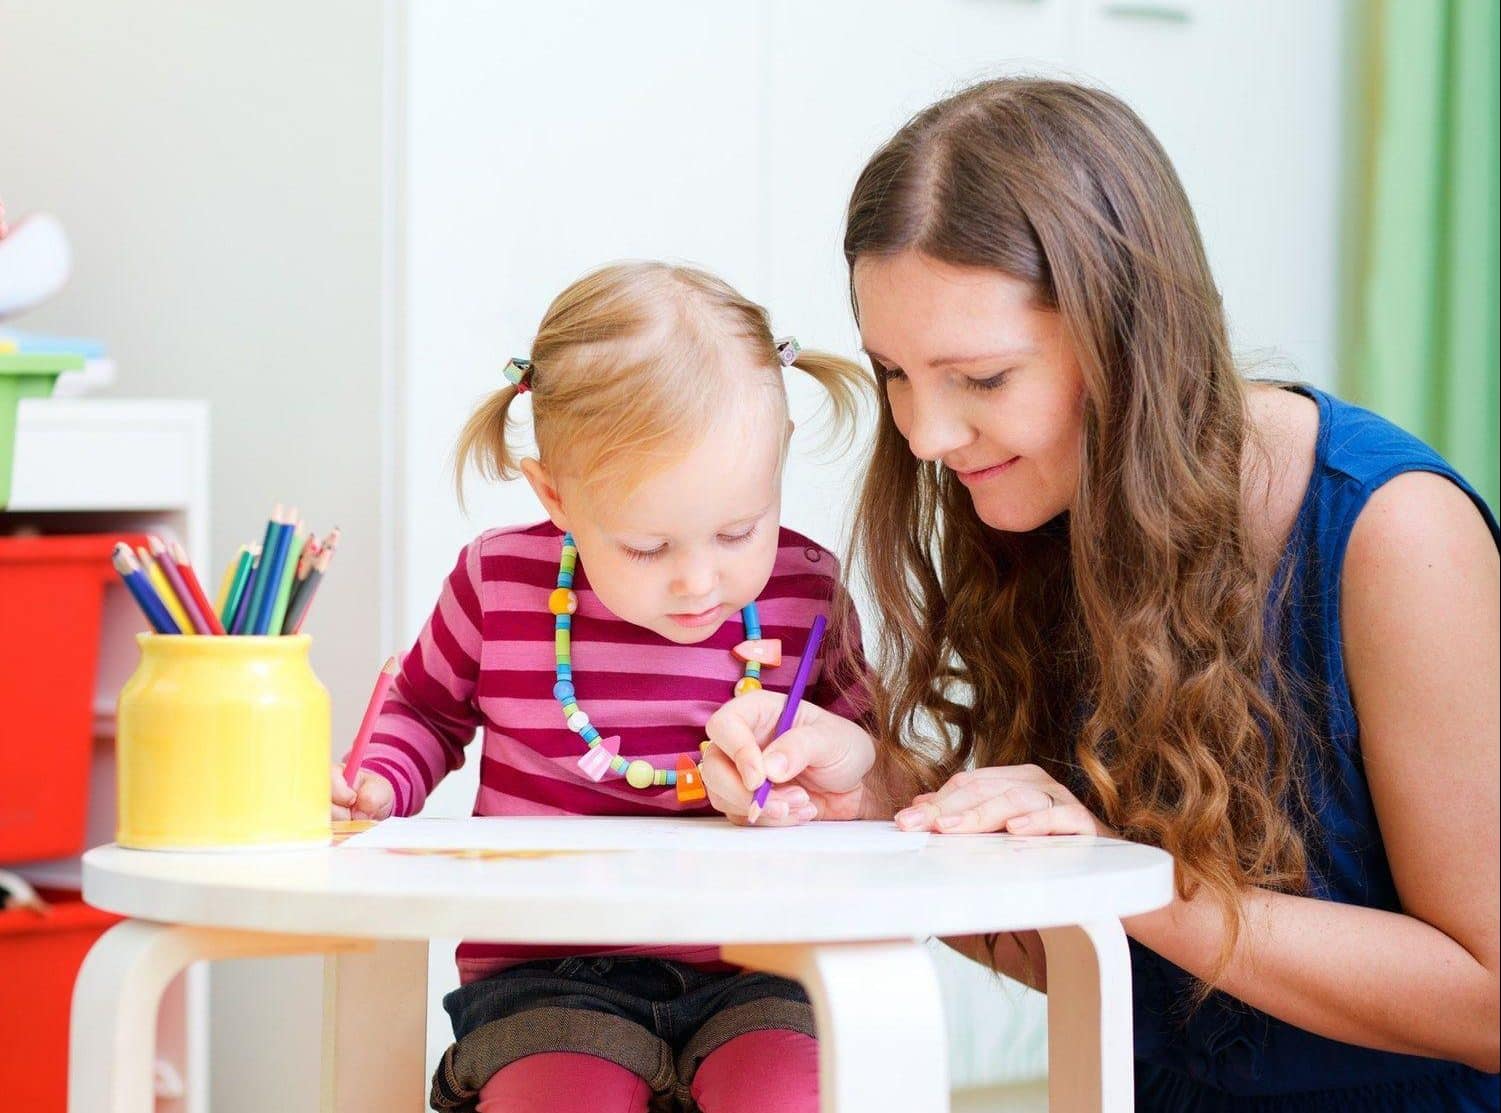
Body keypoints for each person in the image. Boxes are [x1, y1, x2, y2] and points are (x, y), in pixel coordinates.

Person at [703, 78, 1500, 1108]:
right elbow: (1121, 970)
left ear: (1130, 339)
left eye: (980, 379)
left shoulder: (1396, 535)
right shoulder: (1038, 506)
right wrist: (884, 805)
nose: (925, 435)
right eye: (892, 371)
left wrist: (1127, 877)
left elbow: (1485, 1000)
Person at [333, 261, 868, 1113]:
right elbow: (424, 706)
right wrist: (380, 779)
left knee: (785, 1094)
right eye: (649, 548)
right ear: (554, 493)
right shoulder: (498, 582)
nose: (699, 580)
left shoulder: (804, 590)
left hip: (760, 962)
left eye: (737, 529)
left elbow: (861, 775)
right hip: (545, 974)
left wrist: (819, 778)